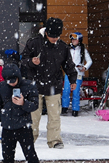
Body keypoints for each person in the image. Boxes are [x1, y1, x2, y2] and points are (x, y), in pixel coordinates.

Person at [0, 63, 44, 163]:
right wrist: (1, 116)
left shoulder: (29, 86)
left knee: (31, 156)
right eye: (8, 81)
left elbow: (35, 105)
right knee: (7, 157)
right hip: (7, 128)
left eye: (13, 80)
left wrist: (23, 103)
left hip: (24, 127)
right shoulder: (2, 87)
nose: (11, 83)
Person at [25, 18, 73, 149]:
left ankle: (55, 141)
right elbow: (23, 61)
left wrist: (73, 79)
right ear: (46, 32)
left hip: (54, 86)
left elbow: (68, 65)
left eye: (57, 36)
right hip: (35, 86)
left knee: (54, 117)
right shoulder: (34, 43)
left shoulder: (63, 47)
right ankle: (29, 139)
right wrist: (31, 62)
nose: (54, 38)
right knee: (33, 117)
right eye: (52, 36)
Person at [63, 32, 92, 117]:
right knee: (66, 90)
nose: (73, 41)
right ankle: (64, 107)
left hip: (78, 73)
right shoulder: (68, 49)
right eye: (72, 39)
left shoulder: (83, 50)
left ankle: (75, 109)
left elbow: (90, 61)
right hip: (68, 73)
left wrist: (85, 67)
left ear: (79, 40)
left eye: (75, 39)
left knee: (76, 92)